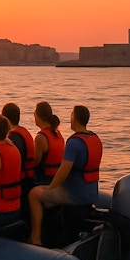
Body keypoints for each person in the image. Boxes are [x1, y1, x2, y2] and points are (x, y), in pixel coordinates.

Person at [28, 105, 103, 246]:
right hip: (92, 193)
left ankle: (36, 238)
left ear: (74, 118)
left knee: (34, 194)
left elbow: (63, 172)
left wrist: (50, 187)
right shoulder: (95, 138)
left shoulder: (74, 142)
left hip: (74, 194)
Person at [1, 102, 35, 219]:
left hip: (21, 183)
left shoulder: (13, 138)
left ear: (4, 119)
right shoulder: (24, 132)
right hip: (29, 179)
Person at [33, 101, 64, 186]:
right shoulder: (58, 133)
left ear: (39, 116)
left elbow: (35, 162)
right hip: (58, 178)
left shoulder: (40, 137)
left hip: (44, 180)